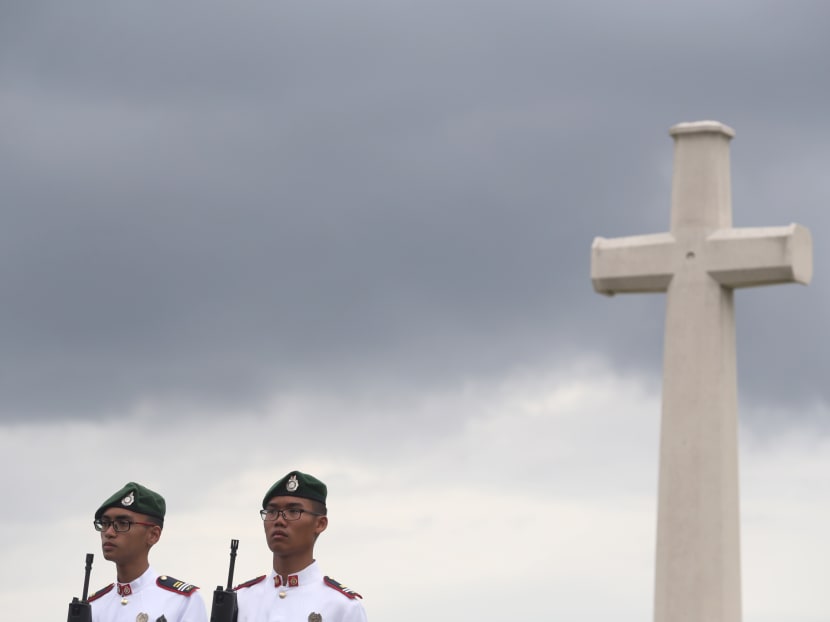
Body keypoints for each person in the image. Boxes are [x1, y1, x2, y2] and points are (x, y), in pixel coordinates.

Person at [235, 470, 367, 622]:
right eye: (272, 511)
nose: (279, 520)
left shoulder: (342, 607)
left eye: (293, 511)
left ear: (320, 524)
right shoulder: (241, 600)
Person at [87, 482, 208, 622]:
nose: (109, 532)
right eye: (105, 523)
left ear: (153, 535)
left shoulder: (182, 602)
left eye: (123, 524)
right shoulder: (93, 606)